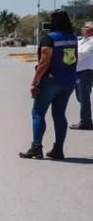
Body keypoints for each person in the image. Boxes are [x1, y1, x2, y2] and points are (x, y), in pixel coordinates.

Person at [20, 10, 79, 160]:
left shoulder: (50, 39)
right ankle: (58, 149)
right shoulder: (73, 37)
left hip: (50, 81)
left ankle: (36, 147)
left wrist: (34, 82)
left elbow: (44, 63)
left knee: (38, 113)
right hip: (68, 81)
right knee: (59, 115)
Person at [71, 21, 93, 131]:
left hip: (86, 72)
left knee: (84, 97)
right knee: (80, 97)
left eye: (86, 27)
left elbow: (81, 54)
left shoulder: (92, 41)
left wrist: (70, 54)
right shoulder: (81, 40)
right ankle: (86, 119)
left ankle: (86, 122)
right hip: (78, 71)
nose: (83, 28)